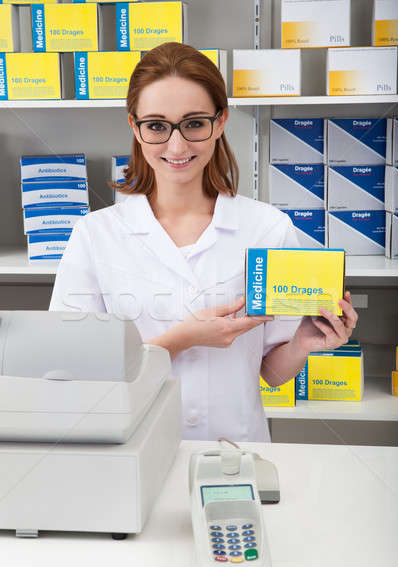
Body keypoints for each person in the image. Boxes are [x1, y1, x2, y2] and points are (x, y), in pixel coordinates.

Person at [49, 42, 358, 442]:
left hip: (235, 453)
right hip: (131, 451)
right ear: (135, 127)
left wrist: (302, 342)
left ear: (221, 121)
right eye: (157, 126)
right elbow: (76, 373)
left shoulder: (268, 227)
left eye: (194, 123)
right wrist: (183, 340)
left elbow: (272, 374)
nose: (177, 146)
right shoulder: (94, 235)